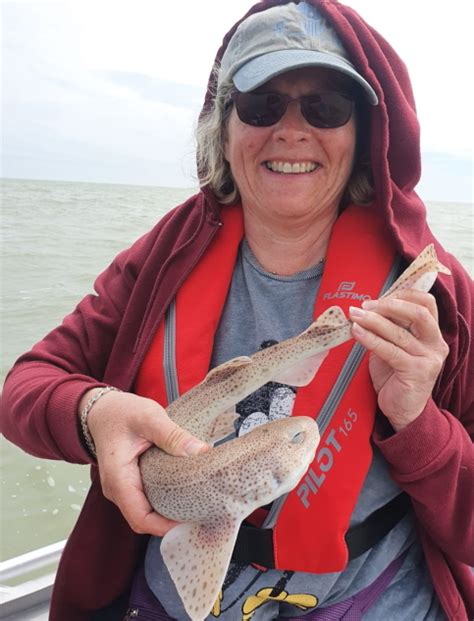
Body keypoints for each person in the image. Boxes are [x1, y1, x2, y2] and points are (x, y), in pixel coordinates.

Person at [1, 1, 473, 619]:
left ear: (364, 134)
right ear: (223, 127)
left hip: (374, 595)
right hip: (176, 589)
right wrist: (92, 412)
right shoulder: (163, 258)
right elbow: (24, 389)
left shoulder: (433, 292)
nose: (291, 130)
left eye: (326, 107)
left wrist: (418, 424)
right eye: (261, 105)